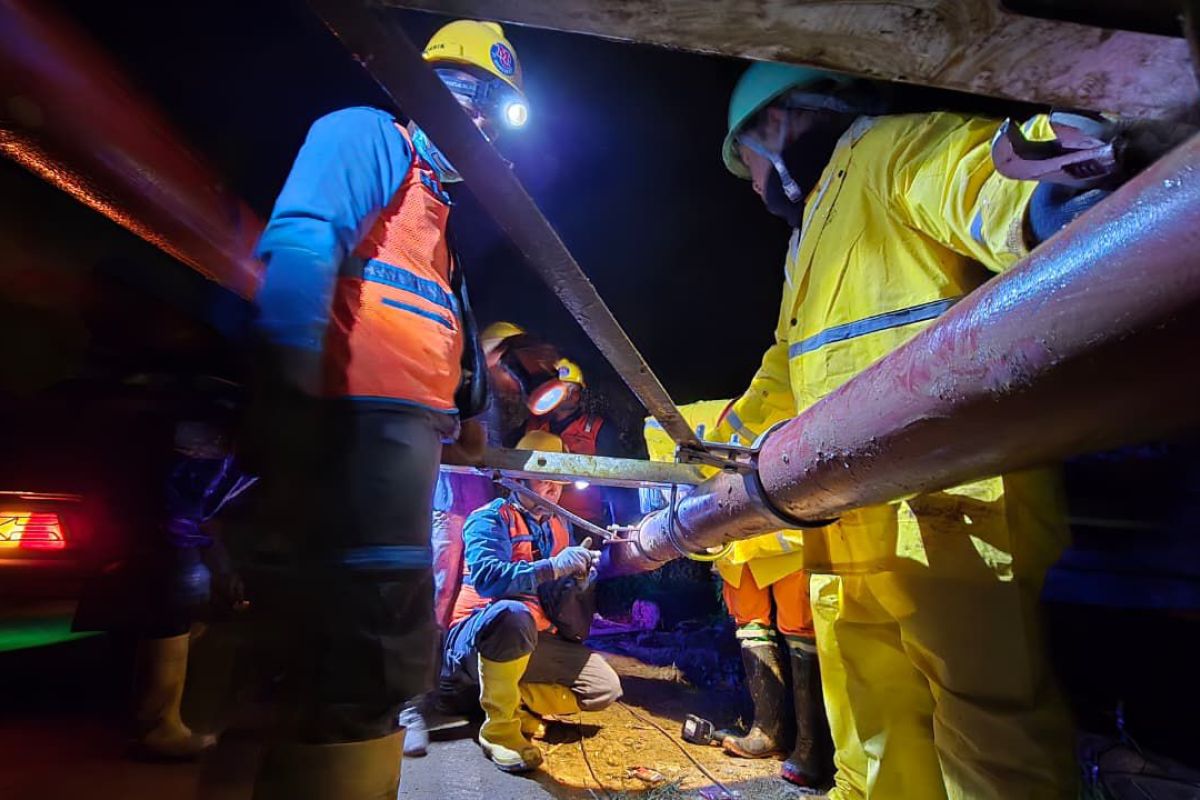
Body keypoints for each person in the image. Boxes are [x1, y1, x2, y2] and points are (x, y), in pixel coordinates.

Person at [711, 62, 1097, 799]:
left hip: (955, 508)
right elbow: (786, 365)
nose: (757, 190)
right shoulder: (807, 243)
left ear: (776, 124)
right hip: (849, 520)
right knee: (870, 728)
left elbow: (982, 177)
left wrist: (1061, 190)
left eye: (751, 166)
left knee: (988, 732)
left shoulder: (891, 150)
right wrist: (721, 443)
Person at [240, 19, 528, 797]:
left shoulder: (438, 226)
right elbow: (304, 241)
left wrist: (468, 422)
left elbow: (451, 337)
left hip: (404, 445)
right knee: (352, 651)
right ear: (426, 89)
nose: (479, 129)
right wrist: (290, 393)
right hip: (350, 429)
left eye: (491, 116)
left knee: (385, 658)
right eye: (468, 100)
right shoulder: (369, 137)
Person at [644, 400, 832, 788]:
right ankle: (771, 732)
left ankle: (814, 748)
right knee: (752, 625)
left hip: (783, 531)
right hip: (740, 537)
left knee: (801, 628)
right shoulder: (674, 425)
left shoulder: (695, 422)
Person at [439, 431, 623, 773]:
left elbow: (552, 594)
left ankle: (510, 701)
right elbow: (489, 578)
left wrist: (575, 581)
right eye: (544, 481)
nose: (554, 490)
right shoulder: (490, 518)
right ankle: (500, 731)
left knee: (604, 689)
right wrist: (553, 566)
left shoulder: (559, 525)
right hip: (476, 634)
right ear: (518, 479)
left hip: (530, 636)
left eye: (559, 483)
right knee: (514, 613)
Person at [525, 358, 632, 525]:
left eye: (572, 389)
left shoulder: (599, 428)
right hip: (539, 518)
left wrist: (620, 527)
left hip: (583, 520)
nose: (567, 395)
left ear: (580, 393)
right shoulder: (535, 428)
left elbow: (616, 485)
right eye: (562, 389)